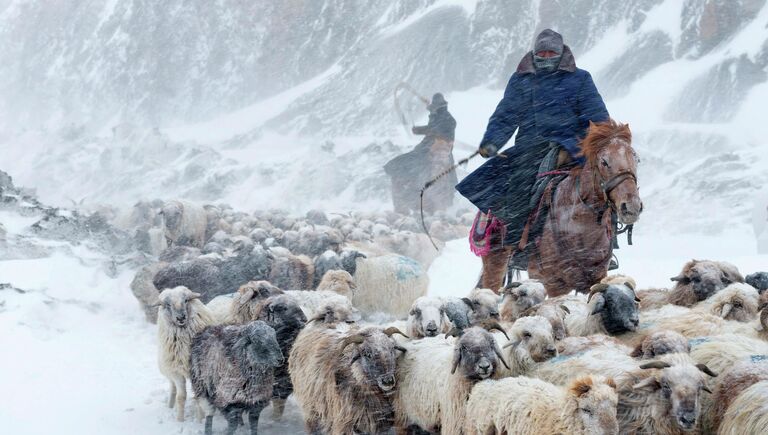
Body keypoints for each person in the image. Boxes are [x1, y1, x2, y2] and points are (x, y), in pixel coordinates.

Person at [455, 29, 610, 289]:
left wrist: (587, 144)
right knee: (515, 185)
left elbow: (597, 117)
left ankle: (606, 244)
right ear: (534, 54)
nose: (546, 56)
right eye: (542, 53)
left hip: (572, 147)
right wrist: (492, 141)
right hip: (531, 147)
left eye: (551, 53)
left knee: (605, 187)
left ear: (561, 54)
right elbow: (506, 115)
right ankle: (515, 240)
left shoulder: (580, 79)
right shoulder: (522, 80)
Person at [385, 93, 457, 214]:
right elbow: (433, 128)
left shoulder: (446, 119)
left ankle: (433, 209)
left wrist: (422, 130)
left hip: (434, 152)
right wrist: (420, 130)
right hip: (426, 150)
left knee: (432, 179)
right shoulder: (438, 116)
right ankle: (411, 207)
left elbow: (437, 130)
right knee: (404, 169)